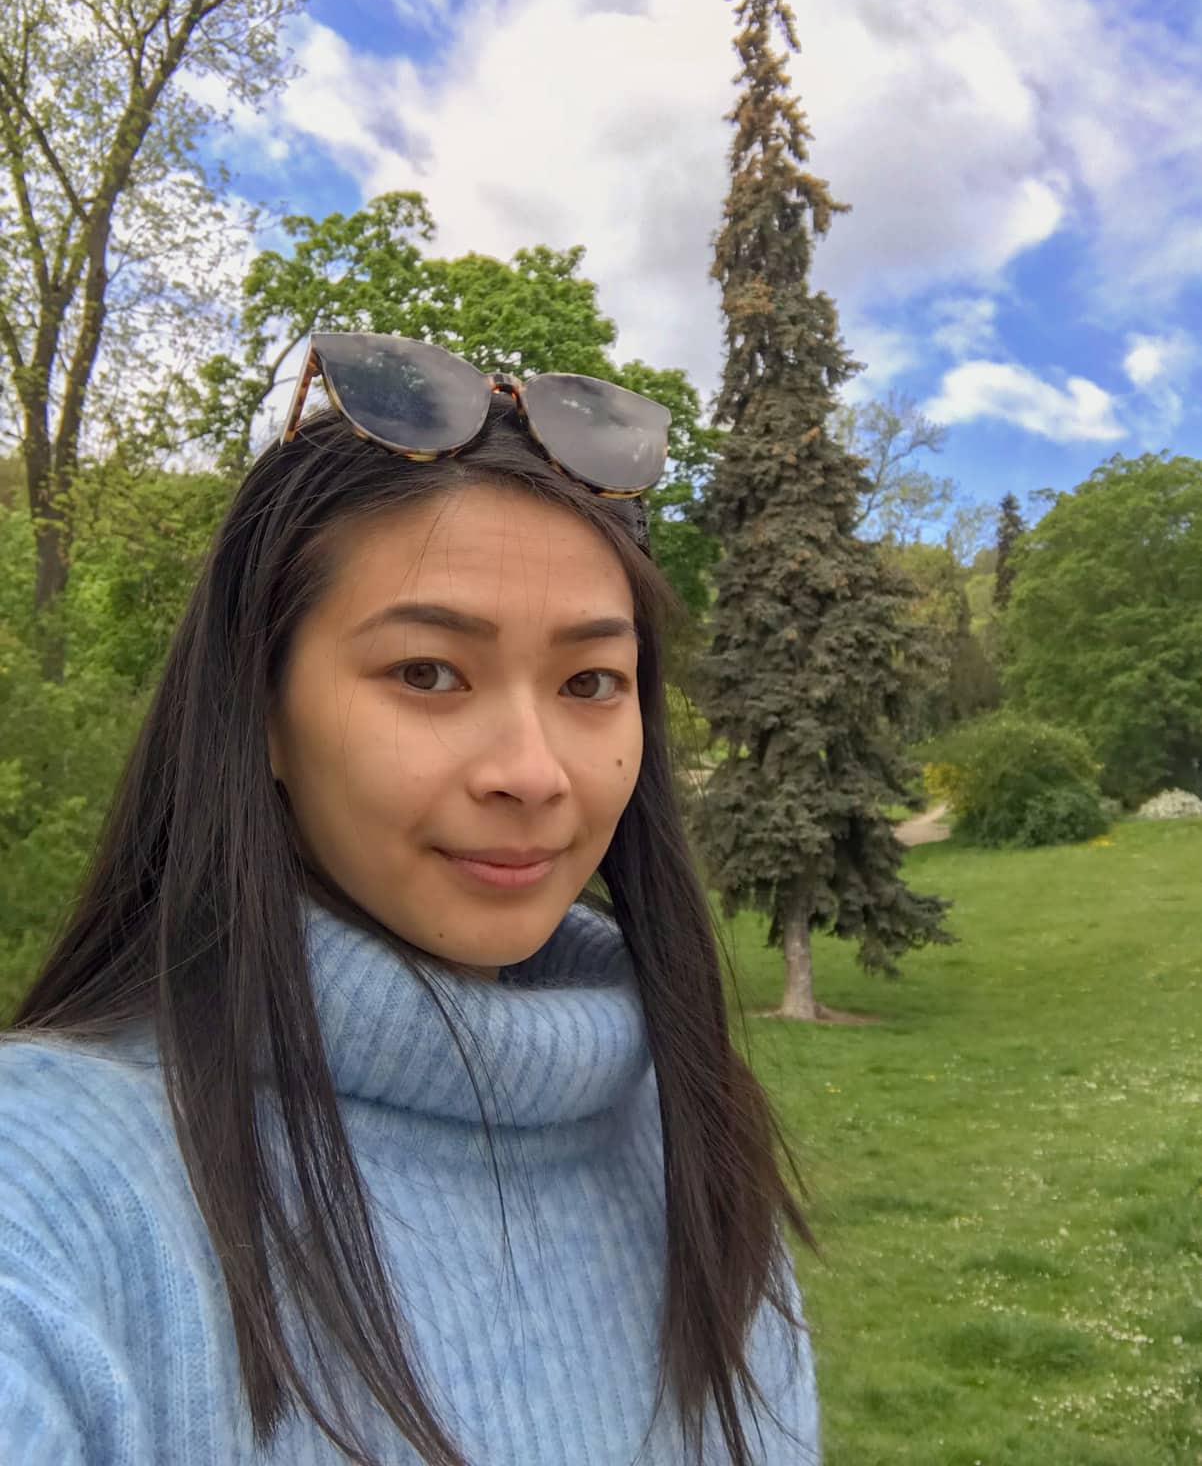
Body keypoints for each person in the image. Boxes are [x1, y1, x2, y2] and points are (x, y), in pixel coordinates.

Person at [0, 334, 822, 1464]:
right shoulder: (47, 1193)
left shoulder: (693, 1139)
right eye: (427, 672)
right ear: (260, 706)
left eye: (591, 681)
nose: (531, 771)